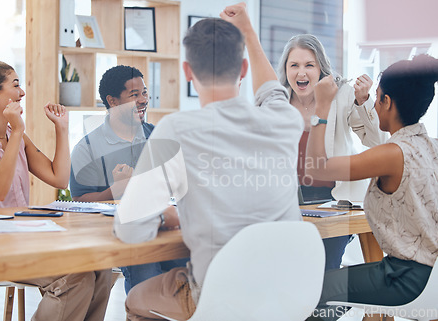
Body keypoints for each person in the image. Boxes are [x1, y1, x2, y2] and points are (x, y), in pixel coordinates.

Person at [113, 3, 304, 320]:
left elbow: (132, 230)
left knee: (135, 298)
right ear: (242, 70)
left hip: (222, 296)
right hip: (288, 292)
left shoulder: (175, 130)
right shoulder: (285, 119)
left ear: (187, 73)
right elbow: (272, 92)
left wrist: (165, 216)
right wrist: (248, 32)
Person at [0, 60, 112, 321]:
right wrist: (19, 131)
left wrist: (61, 128)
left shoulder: (14, 136)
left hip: (22, 240)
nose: (22, 93)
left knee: (100, 267)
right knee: (75, 278)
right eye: (16, 85)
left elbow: (58, 178)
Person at [305, 54, 438, 321]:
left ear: (387, 102)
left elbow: (316, 168)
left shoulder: (392, 153)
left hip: (406, 279)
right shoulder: (431, 145)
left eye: (376, 98)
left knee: (312, 291)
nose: (374, 105)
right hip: (431, 276)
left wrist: (321, 108)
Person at [69, 65, 188, 294]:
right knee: (146, 271)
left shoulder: (159, 137)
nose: (143, 100)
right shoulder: (87, 148)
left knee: (193, 264)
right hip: (122, 236)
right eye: (134, 95)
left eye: (145, 93)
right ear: (112, 101)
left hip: (166, 228)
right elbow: (79, 201)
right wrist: (116, 190)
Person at [277, 34, 387, 270]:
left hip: (334, 202)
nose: (301, 73)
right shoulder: (278, 101)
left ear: (321, 69)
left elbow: (377, 141)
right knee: (287, 269)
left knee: (324, 271)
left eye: (309, 65)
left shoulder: (342, 95)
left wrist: (364, 101)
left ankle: (333, 305)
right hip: (288, 201)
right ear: (285, 69)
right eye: (294, 65)